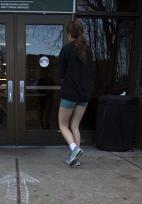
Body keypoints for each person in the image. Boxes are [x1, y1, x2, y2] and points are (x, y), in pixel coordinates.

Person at [58, 19, 92, 166]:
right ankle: (74, 159)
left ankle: (74, 148)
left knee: (63, 125)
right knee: (75, 126)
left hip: (69, 94)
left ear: (69, 34)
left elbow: (60, 74)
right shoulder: (88, 51)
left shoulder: (66, 50)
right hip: (84, 94)